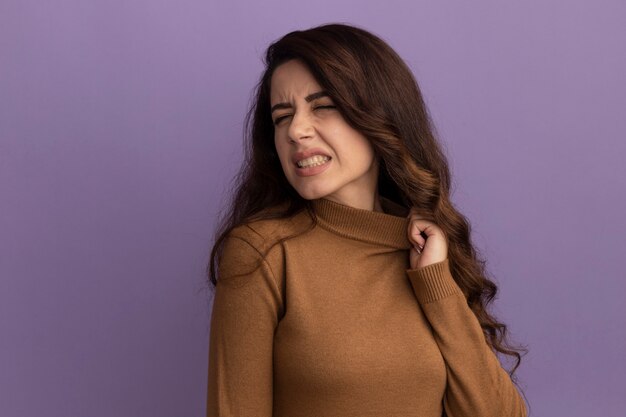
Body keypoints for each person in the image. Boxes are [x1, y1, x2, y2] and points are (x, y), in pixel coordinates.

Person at [205, 23, 528, 417]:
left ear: (380, 116)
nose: (296, 130)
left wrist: (436, 285)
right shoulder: (263, 252)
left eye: (323, 106)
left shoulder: (425, 250)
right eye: (282, 116)